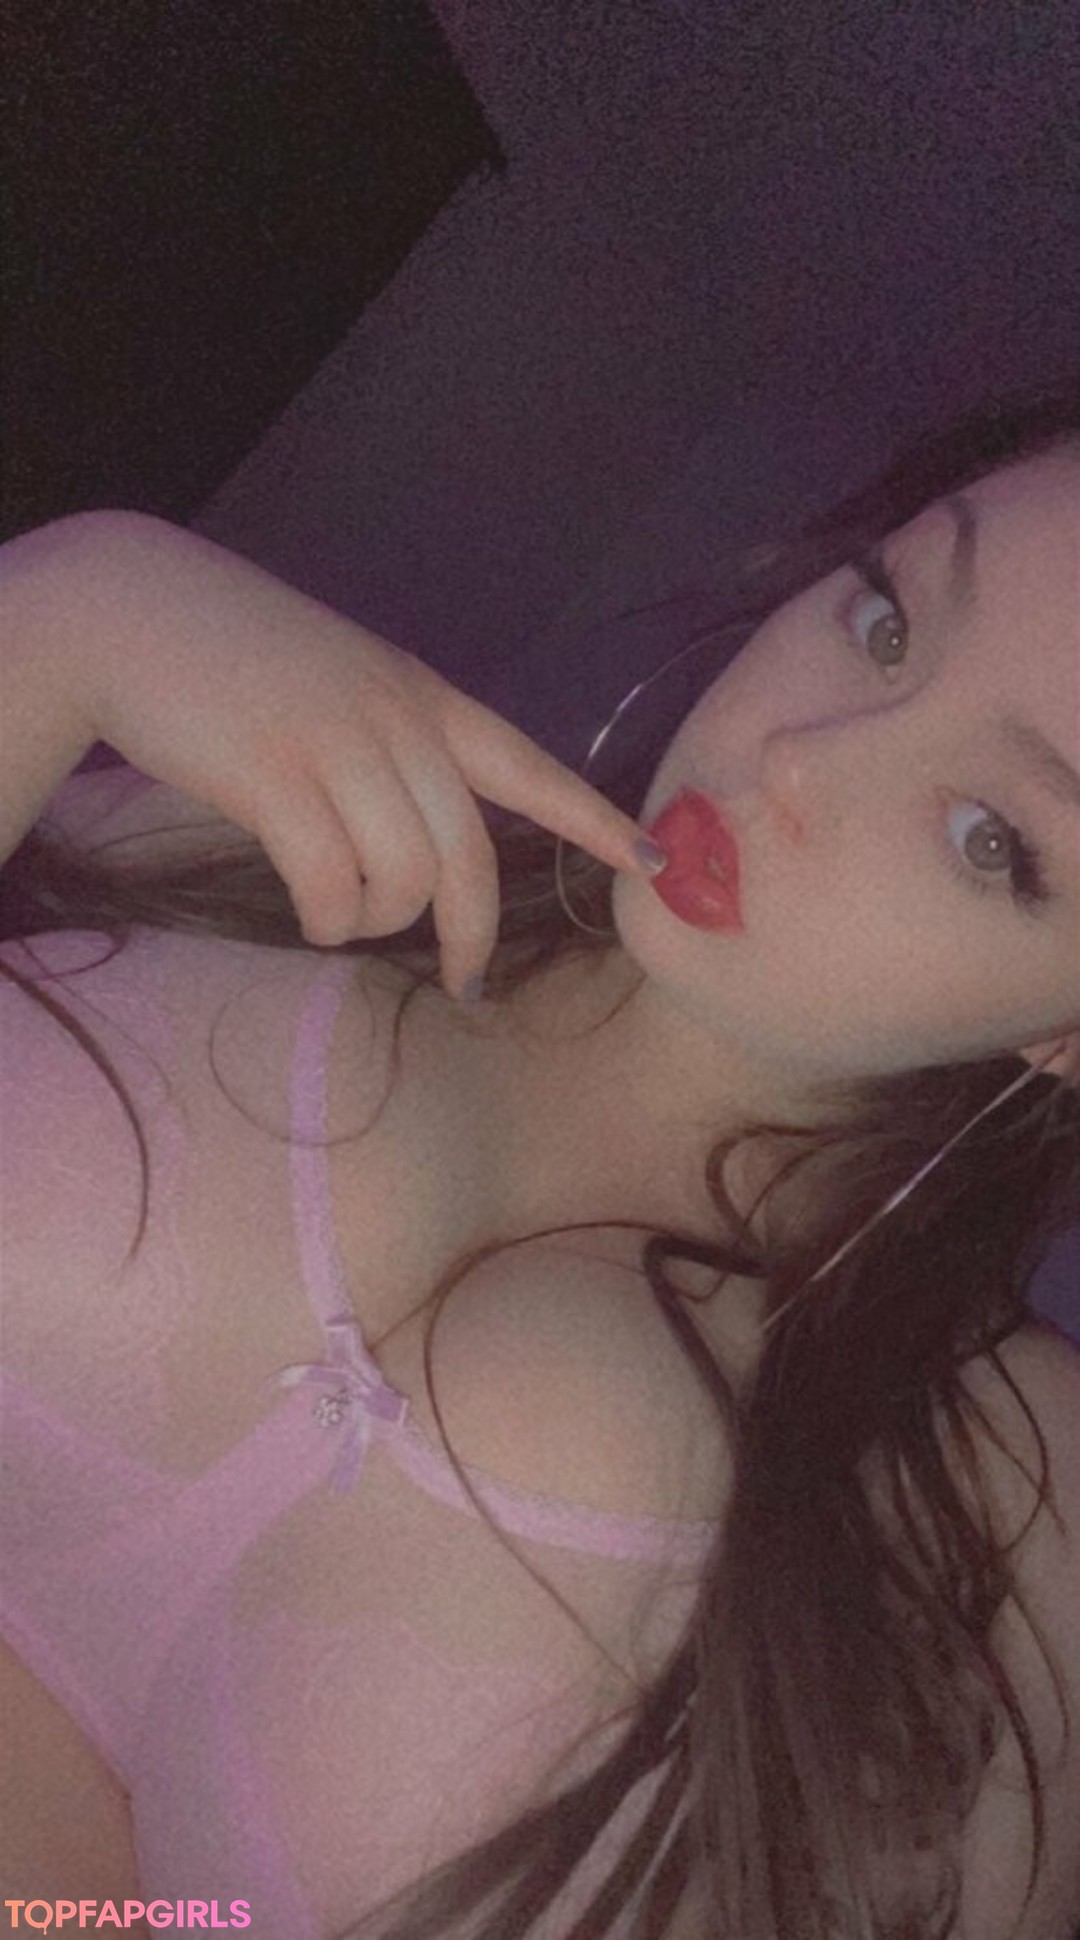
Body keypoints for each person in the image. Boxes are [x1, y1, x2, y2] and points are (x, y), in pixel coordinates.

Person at [0, 382, 1078, 1939]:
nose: (801, 760)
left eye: (992, 837)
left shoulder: (1018, 1505)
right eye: (887, 622)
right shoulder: (274, 847)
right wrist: (62, 616)